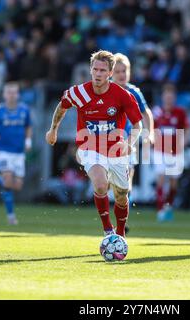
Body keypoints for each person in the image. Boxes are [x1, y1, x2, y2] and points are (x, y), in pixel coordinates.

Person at [45, 50, 143, 238]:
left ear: (110, 73)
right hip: (89, 147)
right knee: (100, 184)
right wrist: (53, 129)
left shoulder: (122, 96)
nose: (98, 74)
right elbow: (62, 106)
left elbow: (138, 125)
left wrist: (129, 142)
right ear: (91, 70)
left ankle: (120, 233)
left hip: (116, 150)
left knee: (122, 195)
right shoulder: (79, 92)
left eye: (103, 70)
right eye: (95, 69)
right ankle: (108, 230)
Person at [111, 53, 155, 234]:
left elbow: (146, 113)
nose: (122, 74)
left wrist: (149, 133)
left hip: (129, 144)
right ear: (111, 73)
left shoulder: (134, 92)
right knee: (108, 185)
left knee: (126, 186)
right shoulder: (106, 91)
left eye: (125, 71)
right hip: (108, 144)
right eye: (118, 71)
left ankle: (121, 223)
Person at [0, 82, 33, 225]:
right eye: (8, 92)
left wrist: (28, 141)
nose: (11, 95)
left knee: (18, 186)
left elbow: (28, 127)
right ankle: (11, 216)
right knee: (8, 182)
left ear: (18, 94)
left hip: (19, 152)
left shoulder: (24, 110)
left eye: (14, 92)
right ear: (4, 95)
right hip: (3, 151)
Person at [153, 83, 190, 222]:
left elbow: (187, 128)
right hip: (160, 150)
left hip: (176, 152)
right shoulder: (157, 112)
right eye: (166, 95)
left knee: (174, 183)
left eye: (171, 95)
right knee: (161, 178)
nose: (168, 98)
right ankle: (160, 210)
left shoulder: (180, 112)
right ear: (163, 97)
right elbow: (151, 128)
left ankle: (168, 207)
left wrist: (184, 141)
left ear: (174, 97)